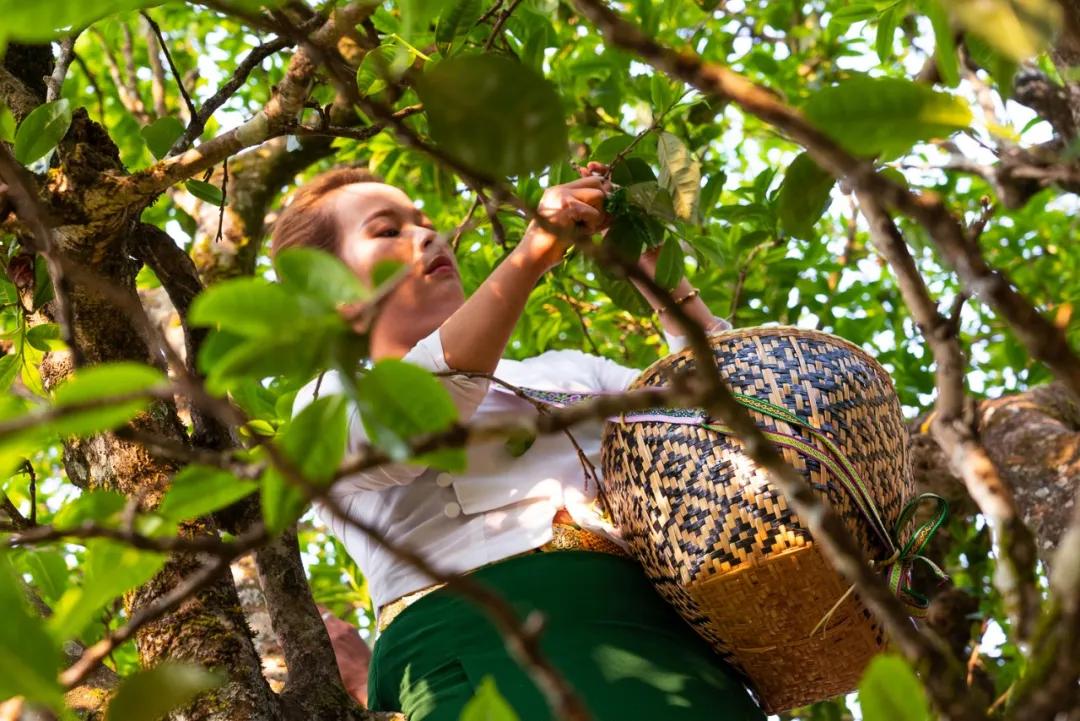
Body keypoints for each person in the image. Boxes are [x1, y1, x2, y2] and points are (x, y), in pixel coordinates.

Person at [272, 162, 764, 721]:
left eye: (424, 221)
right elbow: (419, 417)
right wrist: (531, 254)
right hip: (474, 648)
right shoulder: (327, 399)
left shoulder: (564, 369)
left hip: (664, 642)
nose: (427, 235)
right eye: (387, 230)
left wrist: (657, 273)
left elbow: (730, 422)